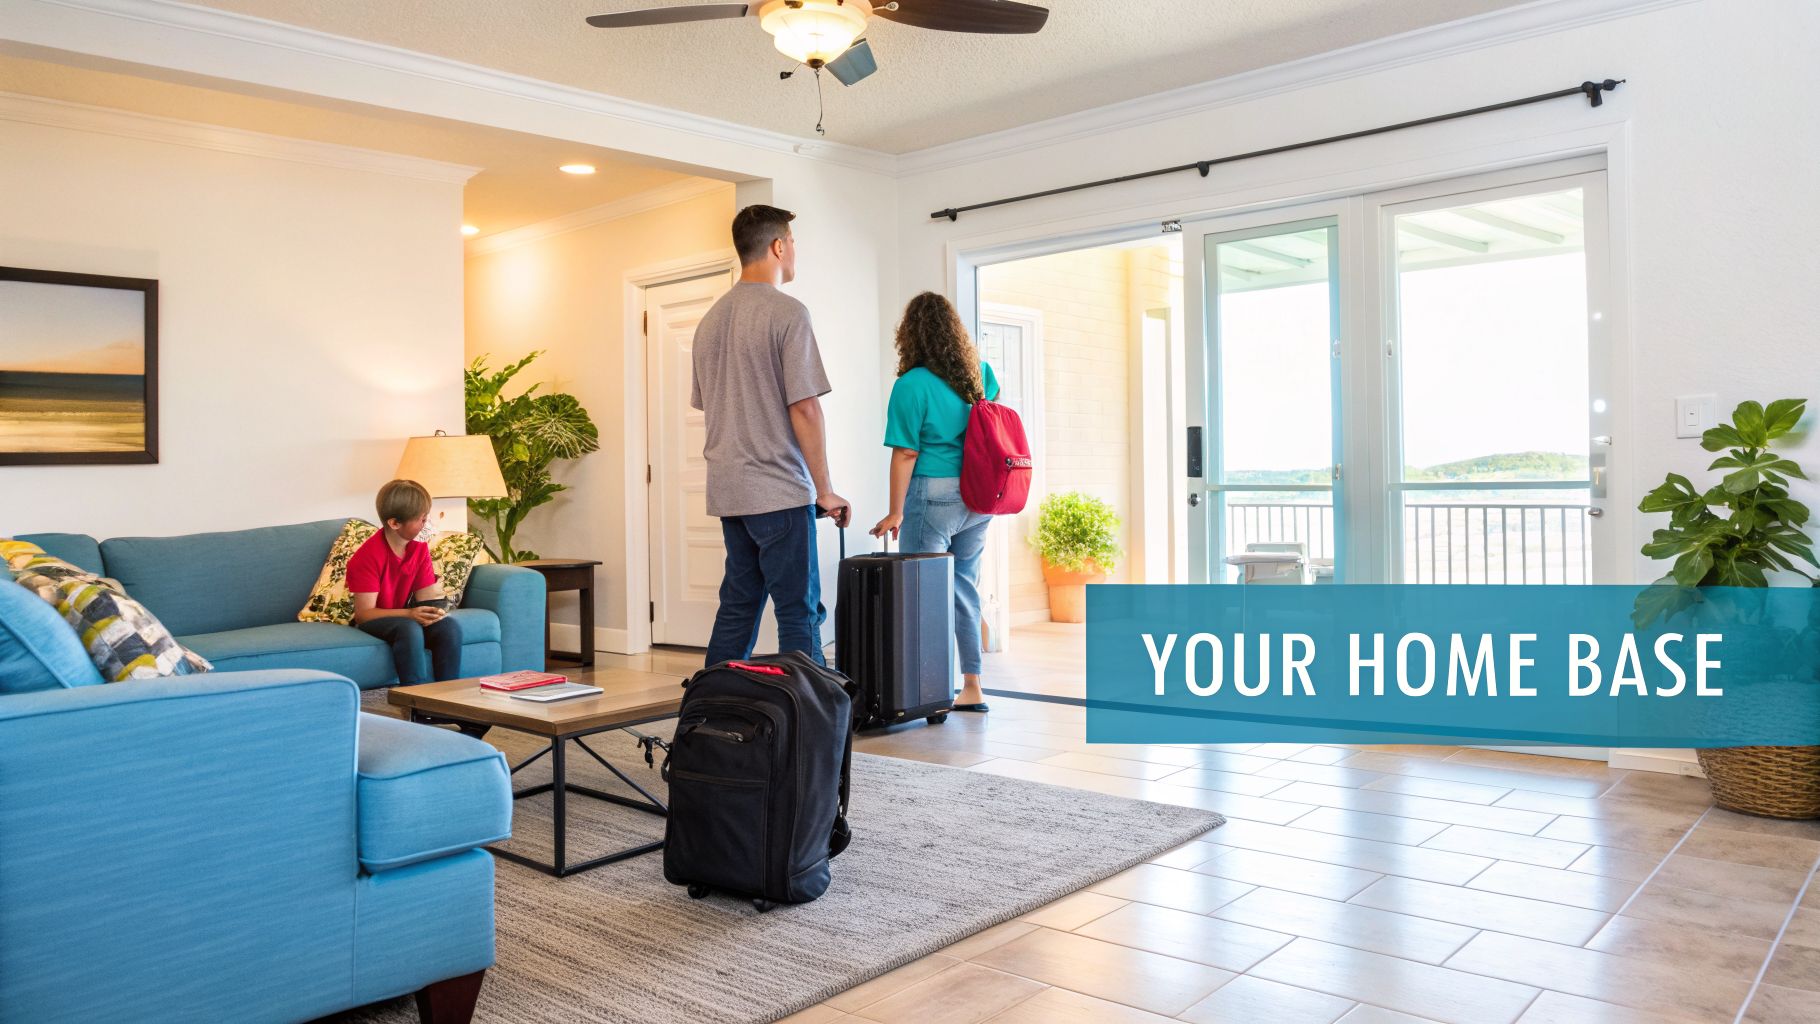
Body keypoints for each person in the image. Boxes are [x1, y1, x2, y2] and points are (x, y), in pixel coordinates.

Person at [692, 204, 850, 668]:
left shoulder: (709, 321)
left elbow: (712, 404)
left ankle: (711, 717)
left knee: (738, 608)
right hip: (778, 491)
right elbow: (804, 406)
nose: (795, 251)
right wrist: (824, 490)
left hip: (729, 492)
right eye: (793, 243)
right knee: (799, 611)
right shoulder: (788, 313)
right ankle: (809, 729)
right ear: (778, 246)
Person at [870, 292, 1000, 713]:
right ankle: (972, 685)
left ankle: (926, 690)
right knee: (964, 588)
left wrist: (896, 509)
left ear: (910, 336)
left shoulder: (911, 385)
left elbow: (906, 452)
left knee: (921, 594)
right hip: (978, 496)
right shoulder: (979, 374)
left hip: (935, 494)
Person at [348, 478, 463, 685]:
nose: (425, 523)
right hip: (375, 621)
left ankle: (448, 698)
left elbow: (426, 600)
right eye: (420, 519)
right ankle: (415, 700)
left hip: (404, 617)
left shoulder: (419, 549)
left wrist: (435, 611)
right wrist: (409, 614)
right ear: (394, 523)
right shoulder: (368, 556)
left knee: (449, 627)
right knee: (408, 628)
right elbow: (364, 614)